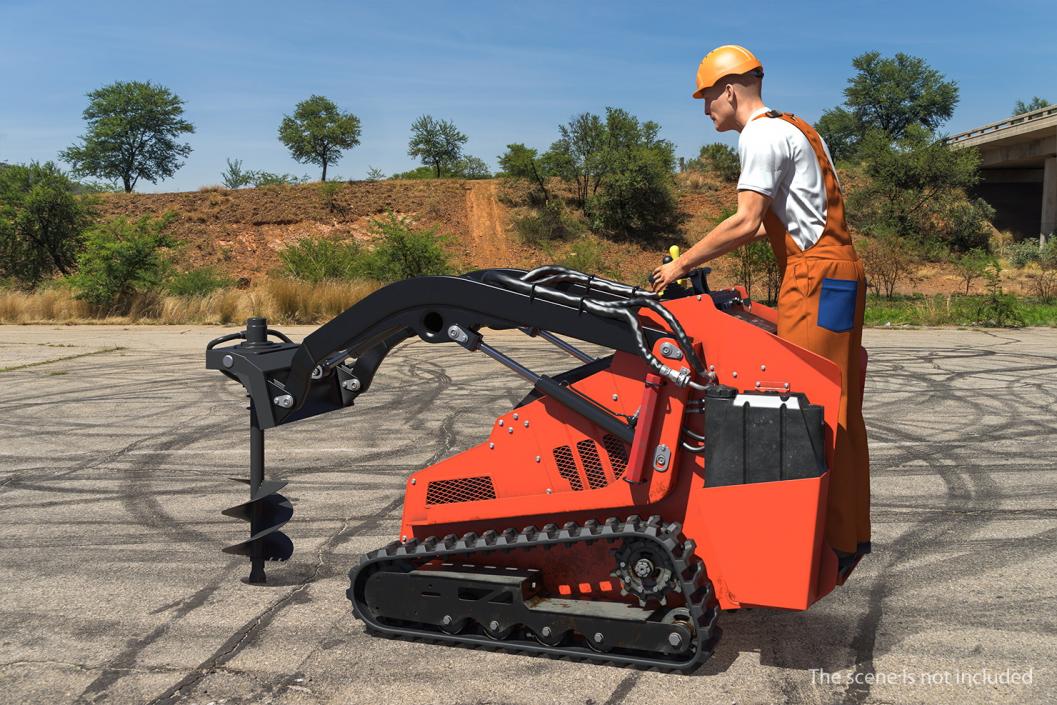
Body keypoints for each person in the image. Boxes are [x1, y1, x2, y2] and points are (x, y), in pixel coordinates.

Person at [651, 45, 870, 567]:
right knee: (835, 402)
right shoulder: (795, 127)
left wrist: (677, 267)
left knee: (805, 404)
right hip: (835, 273)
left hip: (815, 276)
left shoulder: (762, 135)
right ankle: (844, 535)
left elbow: (746, 222)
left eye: (707, 98)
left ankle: (811, 548)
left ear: (729, 90)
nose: (706, 110)